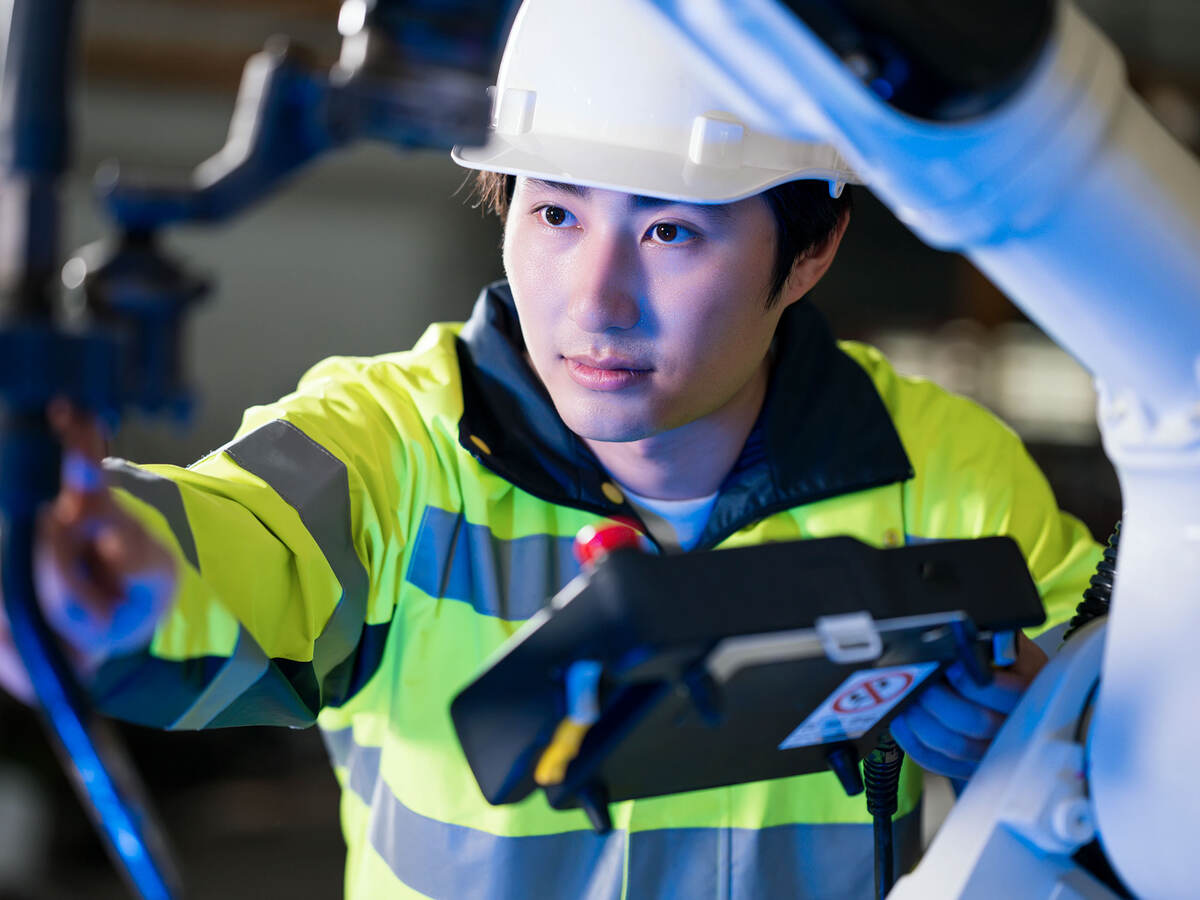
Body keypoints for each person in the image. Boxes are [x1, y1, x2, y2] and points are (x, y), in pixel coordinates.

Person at [0, 0, 1101, 896]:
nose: (594, 300)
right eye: (557, 214)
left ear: (810, 254)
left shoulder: (947, 478)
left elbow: (1132, 734)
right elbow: (226, 551)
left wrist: (1046, 731)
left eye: (670, 230)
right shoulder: (393, 448)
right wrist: (101, 569)